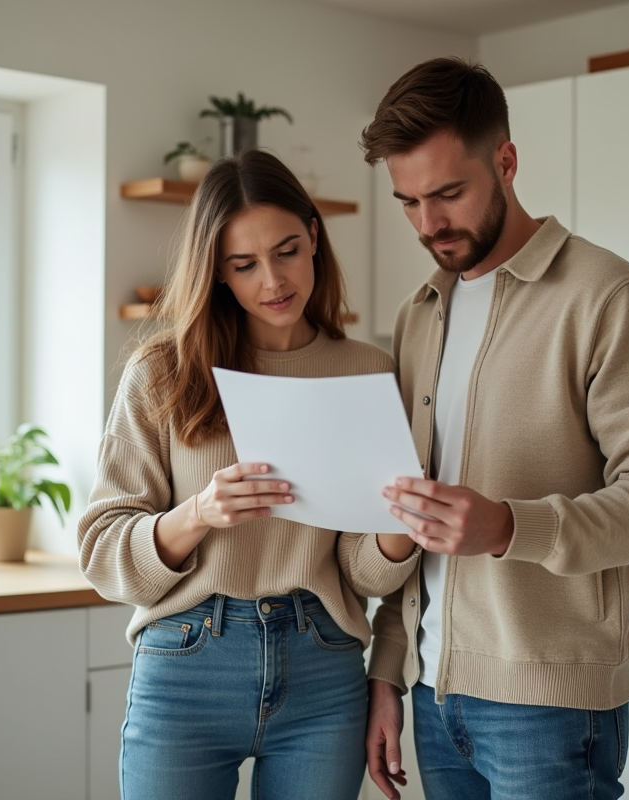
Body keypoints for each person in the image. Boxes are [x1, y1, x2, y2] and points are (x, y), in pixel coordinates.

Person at [360, 57, 629, 800]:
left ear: (507, 162)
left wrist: (511, 527)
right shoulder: (420, 312)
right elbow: (407, 513)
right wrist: (389, 670)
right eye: (409, 201)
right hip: (433, 691)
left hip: (551, 708)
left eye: (449, 194)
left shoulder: (607, 296)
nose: (429, 225)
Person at [77, 149, 419, 800]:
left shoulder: (368, 372)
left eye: (287, 250)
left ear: (315, 236)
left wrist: (398, 531)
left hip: (325, 665)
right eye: (244, 264)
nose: (274, 280)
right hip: (187, 662)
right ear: (218, 273)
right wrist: (198, 514)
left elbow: (362, 574)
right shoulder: (162, 371)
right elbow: (101, 552)